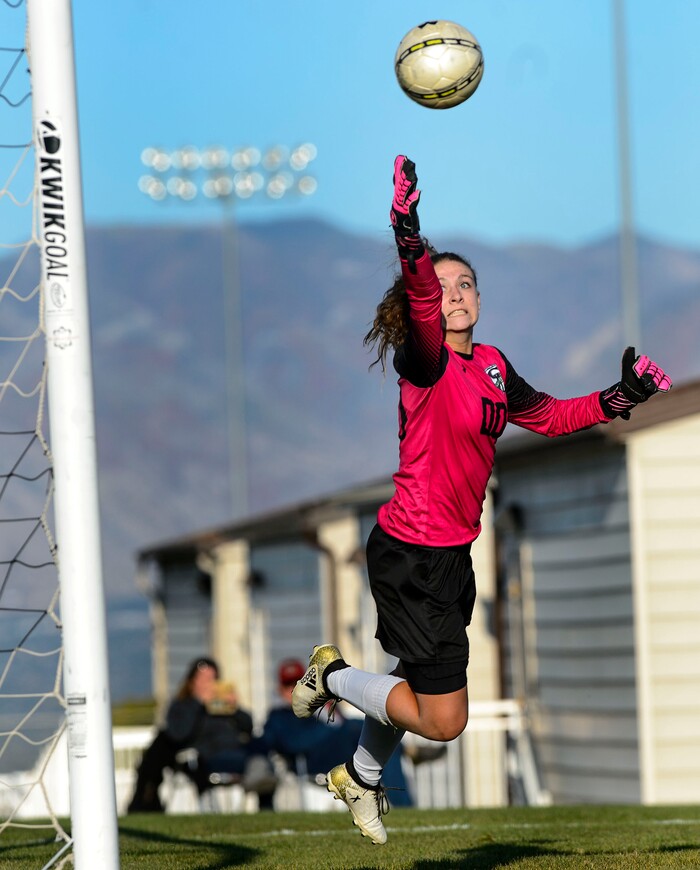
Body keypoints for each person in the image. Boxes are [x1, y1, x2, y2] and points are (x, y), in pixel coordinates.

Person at [291, 155, 672, 844]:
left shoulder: (492, 365)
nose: (457, 293)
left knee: (415, 683)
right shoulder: (426, 358)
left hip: (451, 557)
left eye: (467, 282)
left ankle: (360, 778)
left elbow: (552, 415)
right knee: (444, 720)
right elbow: (420, 292)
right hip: (410, 552)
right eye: (444, 287)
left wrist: (624, 397)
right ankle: (333, 675)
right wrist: (407, 230)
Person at [256, 659, 412, 808]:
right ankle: (407, 751)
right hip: (313, 760)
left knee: (377, 740)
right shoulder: (278, 717)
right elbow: (293, 743)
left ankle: (406, 805)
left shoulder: (319, 707)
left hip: (339, 752)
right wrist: (329, 729)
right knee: (361, 729)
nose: (293, 690)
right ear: (280, 689)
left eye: (297, 683)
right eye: (288, 685)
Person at [127, 656, 254, 812]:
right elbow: (179, 733)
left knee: (258, 754)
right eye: (203, 679)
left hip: (233, 755)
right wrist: (198, 704)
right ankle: (145, 804)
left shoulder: (223, 708)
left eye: (212, 679)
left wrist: (234, 707)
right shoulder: (183, 706)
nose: (208, 684)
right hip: (201, 760)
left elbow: (248, 726)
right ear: (192, 681)